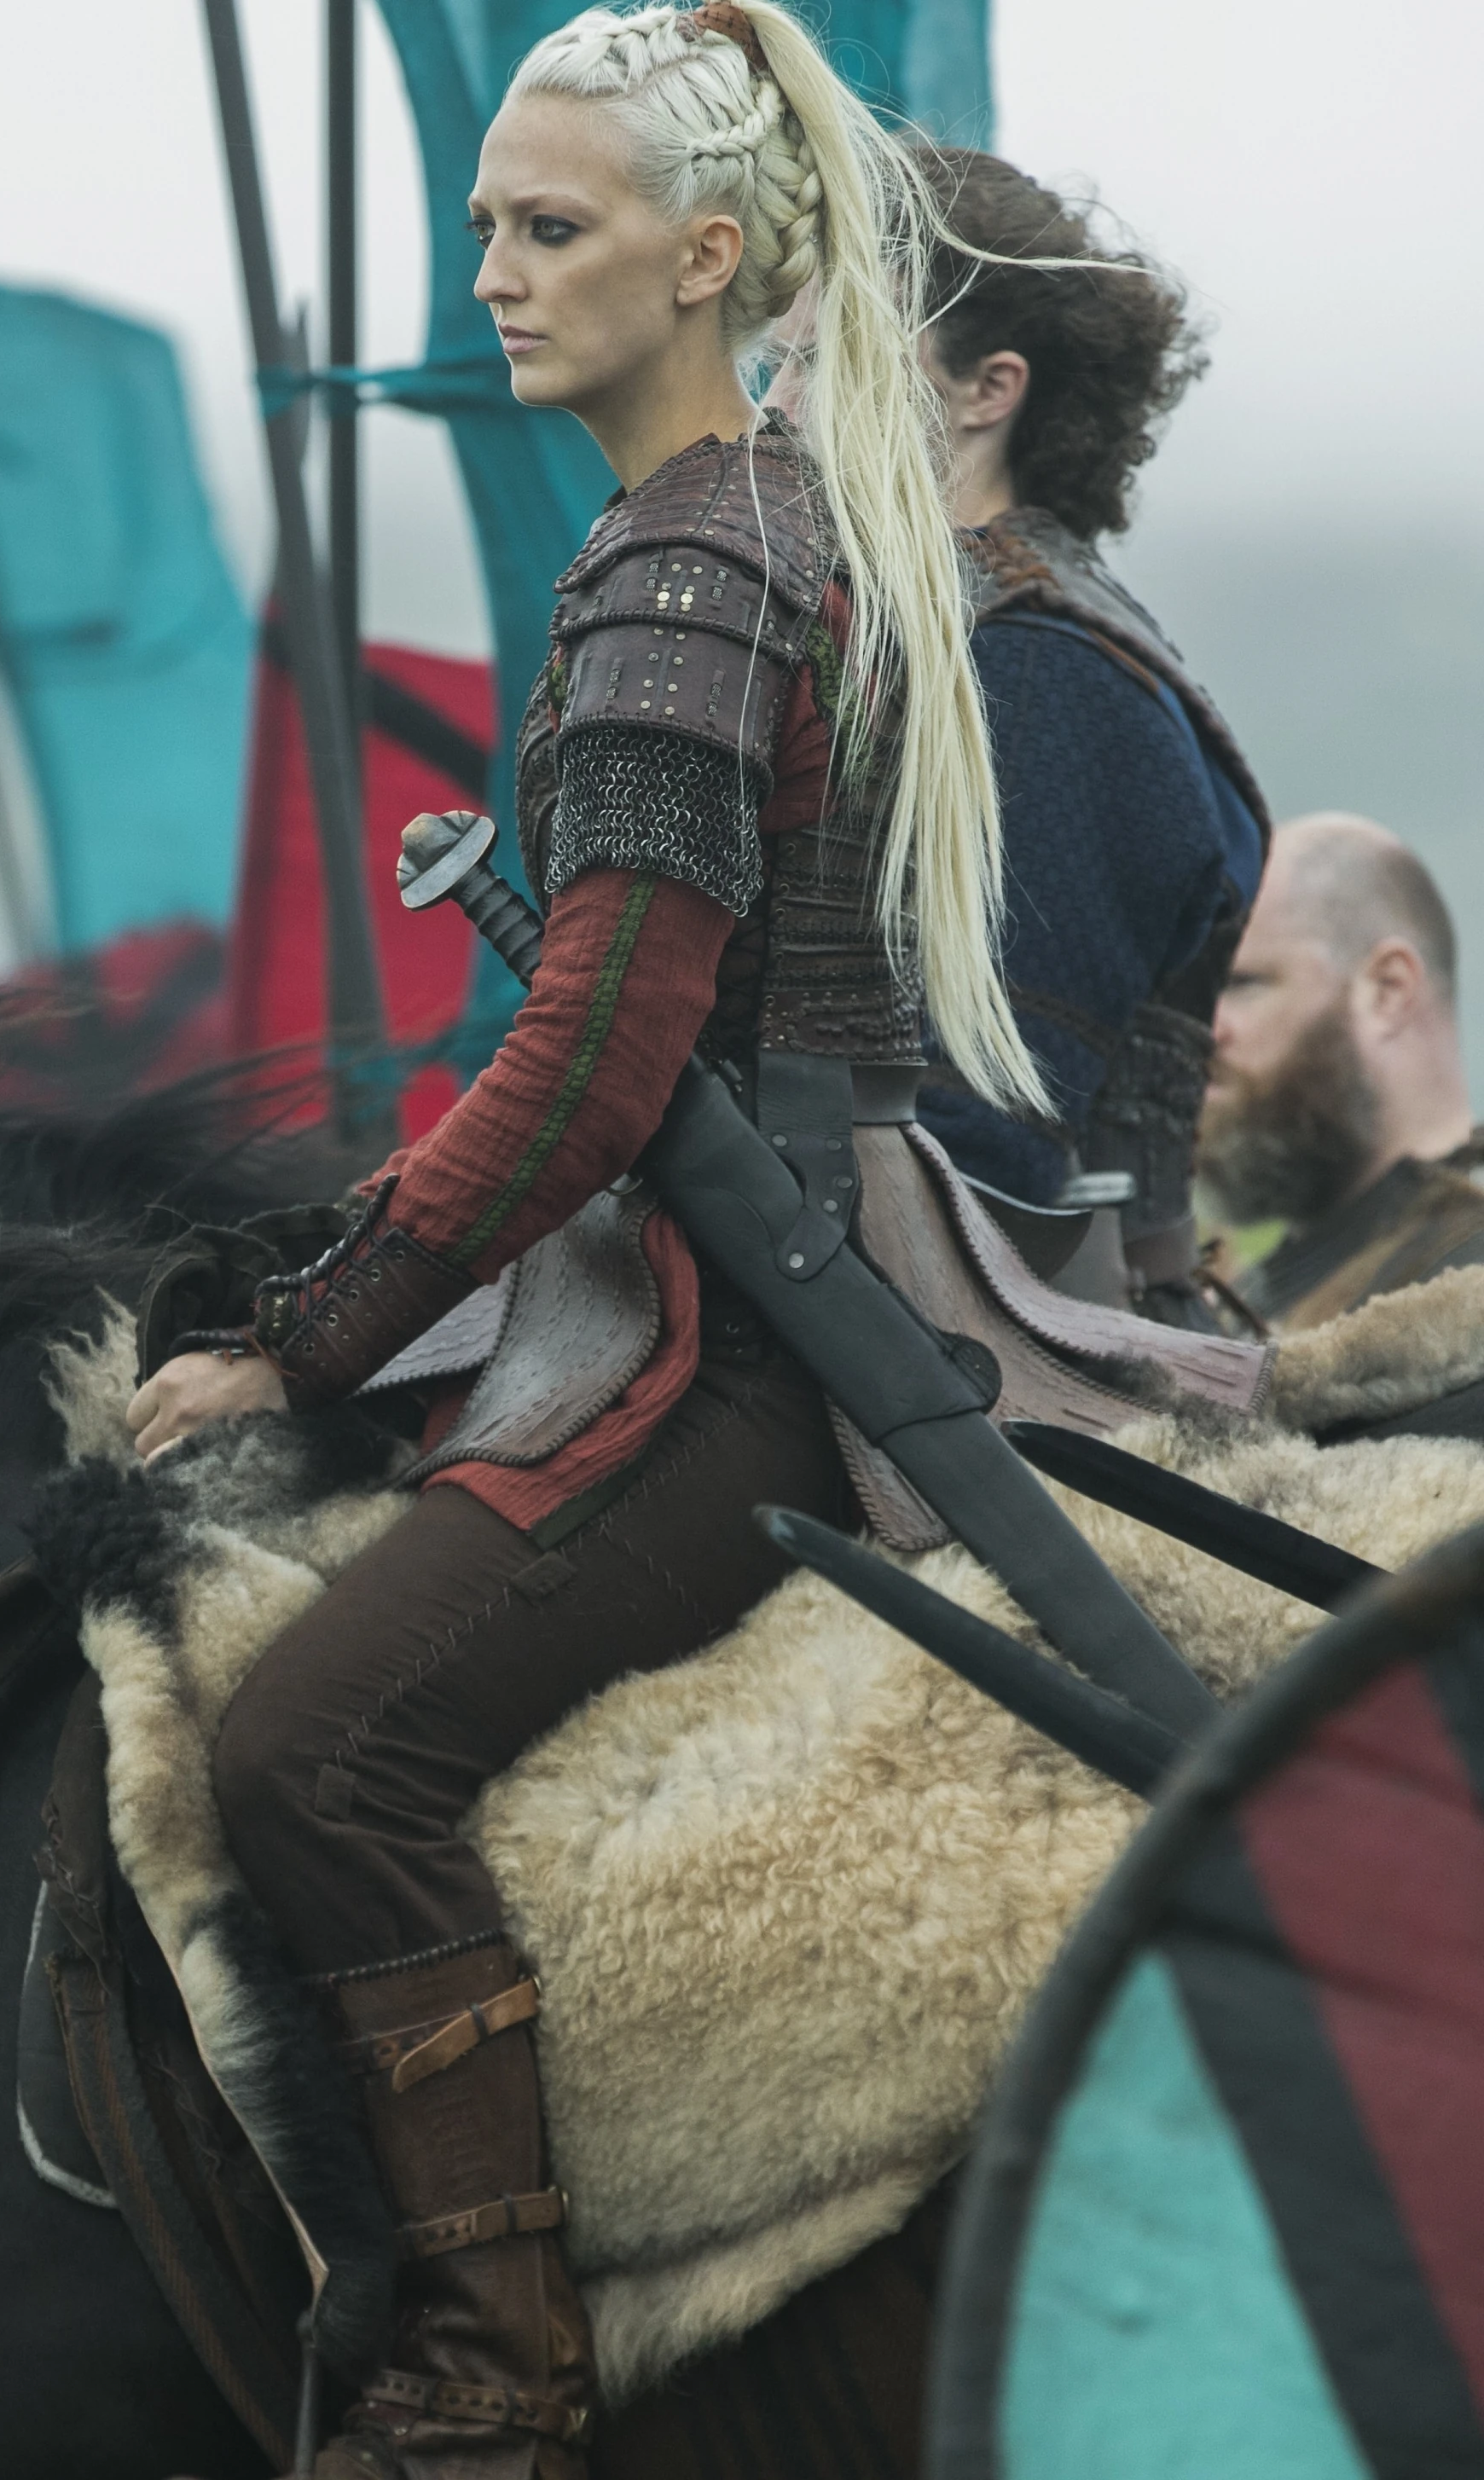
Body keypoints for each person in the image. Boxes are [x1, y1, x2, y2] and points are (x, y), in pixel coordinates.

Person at [124, 8, 1048, 2473]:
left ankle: (488, 2372)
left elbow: (593, 1073)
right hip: (708, 1284)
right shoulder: (753, 520)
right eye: (483, 228)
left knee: (314, 1750)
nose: (493, 276)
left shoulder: (691, 563)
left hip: (738, 1351)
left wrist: (307, 1341)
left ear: (708, 256)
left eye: (549, 229)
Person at [792, 150, 1272, 1323]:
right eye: (783, 360)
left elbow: (978, 1141)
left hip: (1001, 1358)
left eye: (829, 358)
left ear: (985, 390)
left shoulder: (1039, 669)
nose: (779, 405)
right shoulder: (953, 638)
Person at [1198, 810, 1484, 1330]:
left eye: (1242, 983)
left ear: (1387, 990)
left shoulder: (1466, 1274)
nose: (1207, 1030)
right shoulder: (1249, 1298)